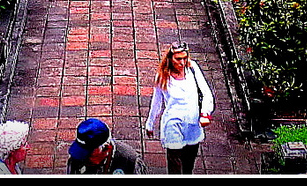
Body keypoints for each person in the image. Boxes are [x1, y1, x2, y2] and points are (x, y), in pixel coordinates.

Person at [145, 43, 215, 174]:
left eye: (184, 58)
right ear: (171, 58)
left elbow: (206, 93)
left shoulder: (192, 69)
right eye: (178, 59)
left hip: (193, 124)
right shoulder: (163, 77)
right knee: (175, 163)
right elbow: (156, 102)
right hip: (173, 124)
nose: (182, 62)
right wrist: (150, 124)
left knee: (188, 163)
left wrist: (205, 113)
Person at [66, 118, 143, 174]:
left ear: (106, 148)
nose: (84, 158)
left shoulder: (129, 161)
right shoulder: (77, 156)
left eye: (90, 154)